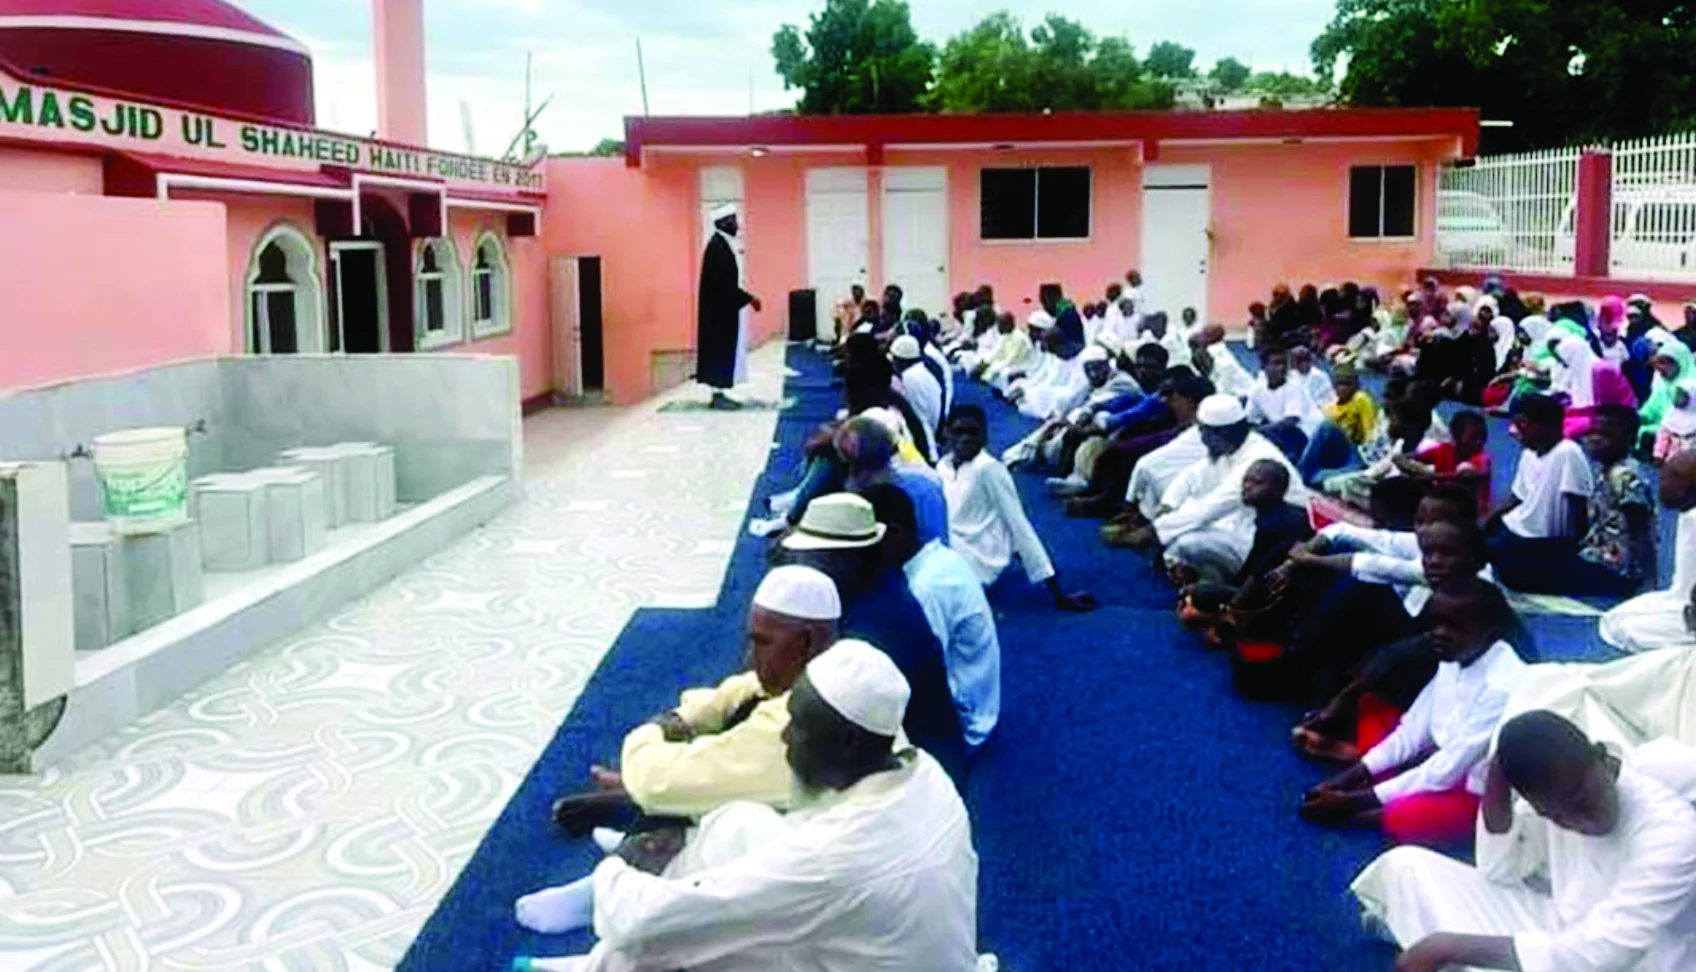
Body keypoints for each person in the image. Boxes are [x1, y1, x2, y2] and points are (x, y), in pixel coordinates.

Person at [549, 640, 982, 972]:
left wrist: (619, 870)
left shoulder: (834, 860)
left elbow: (638, 921)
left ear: (848, 740)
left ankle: (600, 959)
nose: (786, 736)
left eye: (799, 725)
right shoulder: (924, 771)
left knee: (667, 940)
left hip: (849, 919)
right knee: (739, 822)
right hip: (878, 939)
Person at [1350, 710, 1696, 972]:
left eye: (1582, 801)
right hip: (1562, 933)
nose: (1580, 823)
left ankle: (1433, 944)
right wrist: (1497, 780)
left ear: (1604, 761)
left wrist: (1451, 947)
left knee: (1457, 947)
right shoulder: (1554, 795)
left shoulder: (1672, 831)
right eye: (1557, 815)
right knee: (1406, 866)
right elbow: (1499, 869)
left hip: (1637, 962)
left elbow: (1602, 953)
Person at [1299, 579, 1528, 847]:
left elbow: (1448, 769)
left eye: (1454, 626)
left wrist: (1353, 803)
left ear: (1491, 632)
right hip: (1440, 760)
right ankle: (1366, 772)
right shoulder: (1456, 654)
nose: (1439, 633)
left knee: (1404, 818)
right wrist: (1346, 779)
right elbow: (1411, 733)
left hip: (1481, 786)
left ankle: (1368, 809)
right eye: (1436, 622)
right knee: (1380, 717)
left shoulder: (1502, 685)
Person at [779, 492, 968, 782]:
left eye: (812, 557)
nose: (804, 565)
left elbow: (825, 720)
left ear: (846, 558)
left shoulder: (873, 630)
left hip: (912, 777)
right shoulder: (878, 587)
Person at [855, 483, 1003, 755]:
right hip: (972, 697)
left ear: (895, 534)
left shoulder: (927, 589)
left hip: (963, 723)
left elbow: (920, 674)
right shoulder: (939, 559)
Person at [1118, 394, 1306, 583]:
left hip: (1264, 540)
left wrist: (1151, 532)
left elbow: (1211, 508)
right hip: (1239, 522)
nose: (1202, 439)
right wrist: (1168, 506)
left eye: (1204, 433)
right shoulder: (1232, 445)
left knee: (1186, 540)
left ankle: (1212, 580)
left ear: (1222, 433)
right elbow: (1191, 476)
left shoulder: (1258, 460)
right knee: (1180, 517)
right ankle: (1196, 572)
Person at [940, 405, 1098, 611]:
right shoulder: (943, 465)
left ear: (985, 437)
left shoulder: (989, 469)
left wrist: (1057, 593)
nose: (965, 439)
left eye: (973, 432)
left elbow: (1018, 525)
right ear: (947, 434)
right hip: (952, 542)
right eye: (958, 432)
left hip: (978, 553)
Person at [1495, 404, 1652, 597]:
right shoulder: (1606, 469)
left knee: (1515, 569)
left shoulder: (1626, 477)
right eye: (1592, 432)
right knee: (1512, 553)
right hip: (1591, 551)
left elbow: (1641, 532)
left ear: (1630, 439)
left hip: (1612, 570)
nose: (1594, 440)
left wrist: (1648, 584)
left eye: (1606, 435)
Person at [1175, 459, 1313, 644]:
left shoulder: (1278, 524)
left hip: (1276, 603)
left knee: (1197, 596)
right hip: (1269, 589)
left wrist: (1229, 613)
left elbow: (1259, 576)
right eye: (1246, 480)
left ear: (1279, 490)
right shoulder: (1278, 514)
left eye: (1257, 483)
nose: (1247, 487)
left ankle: (1238, 627)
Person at [1485, 394, 1596, 593]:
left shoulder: (1567, 453)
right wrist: (1487, 520)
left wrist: (1571, 551)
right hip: (1515, 529)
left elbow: (1577, 508)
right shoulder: (1529, 452)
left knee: (1510, 568)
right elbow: (1517, 497)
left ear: (1549, 426)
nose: (1514, 432)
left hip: (1543, 541)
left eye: (1523, 425)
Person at [1601, 450, 1696, 652]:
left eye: (1673, 478)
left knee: (1630, 630)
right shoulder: (1688, 515)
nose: (1661, 484)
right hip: (1684, 602)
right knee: (1614, 619)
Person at [834, 415, 948, 545]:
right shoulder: (846, 496)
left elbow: (936, 546)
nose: (853, 474)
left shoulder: (924, 491)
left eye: (856, 464)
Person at [695, 204, 761, 409]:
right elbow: (724, 285)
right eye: (732, 220)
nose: (736, 225)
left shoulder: (722, 244)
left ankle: (720, 392)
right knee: (719, 351)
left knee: (723, 351)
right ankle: (717, 396)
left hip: (722, 311)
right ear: (721, 223)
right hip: (717, 314)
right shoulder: (717, 247)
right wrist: (749, 299)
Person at [891, 334, 942, 461]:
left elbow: (917, 418)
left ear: (900, 359)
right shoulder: (921, 372)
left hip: (924, 441)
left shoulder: (910, 378)